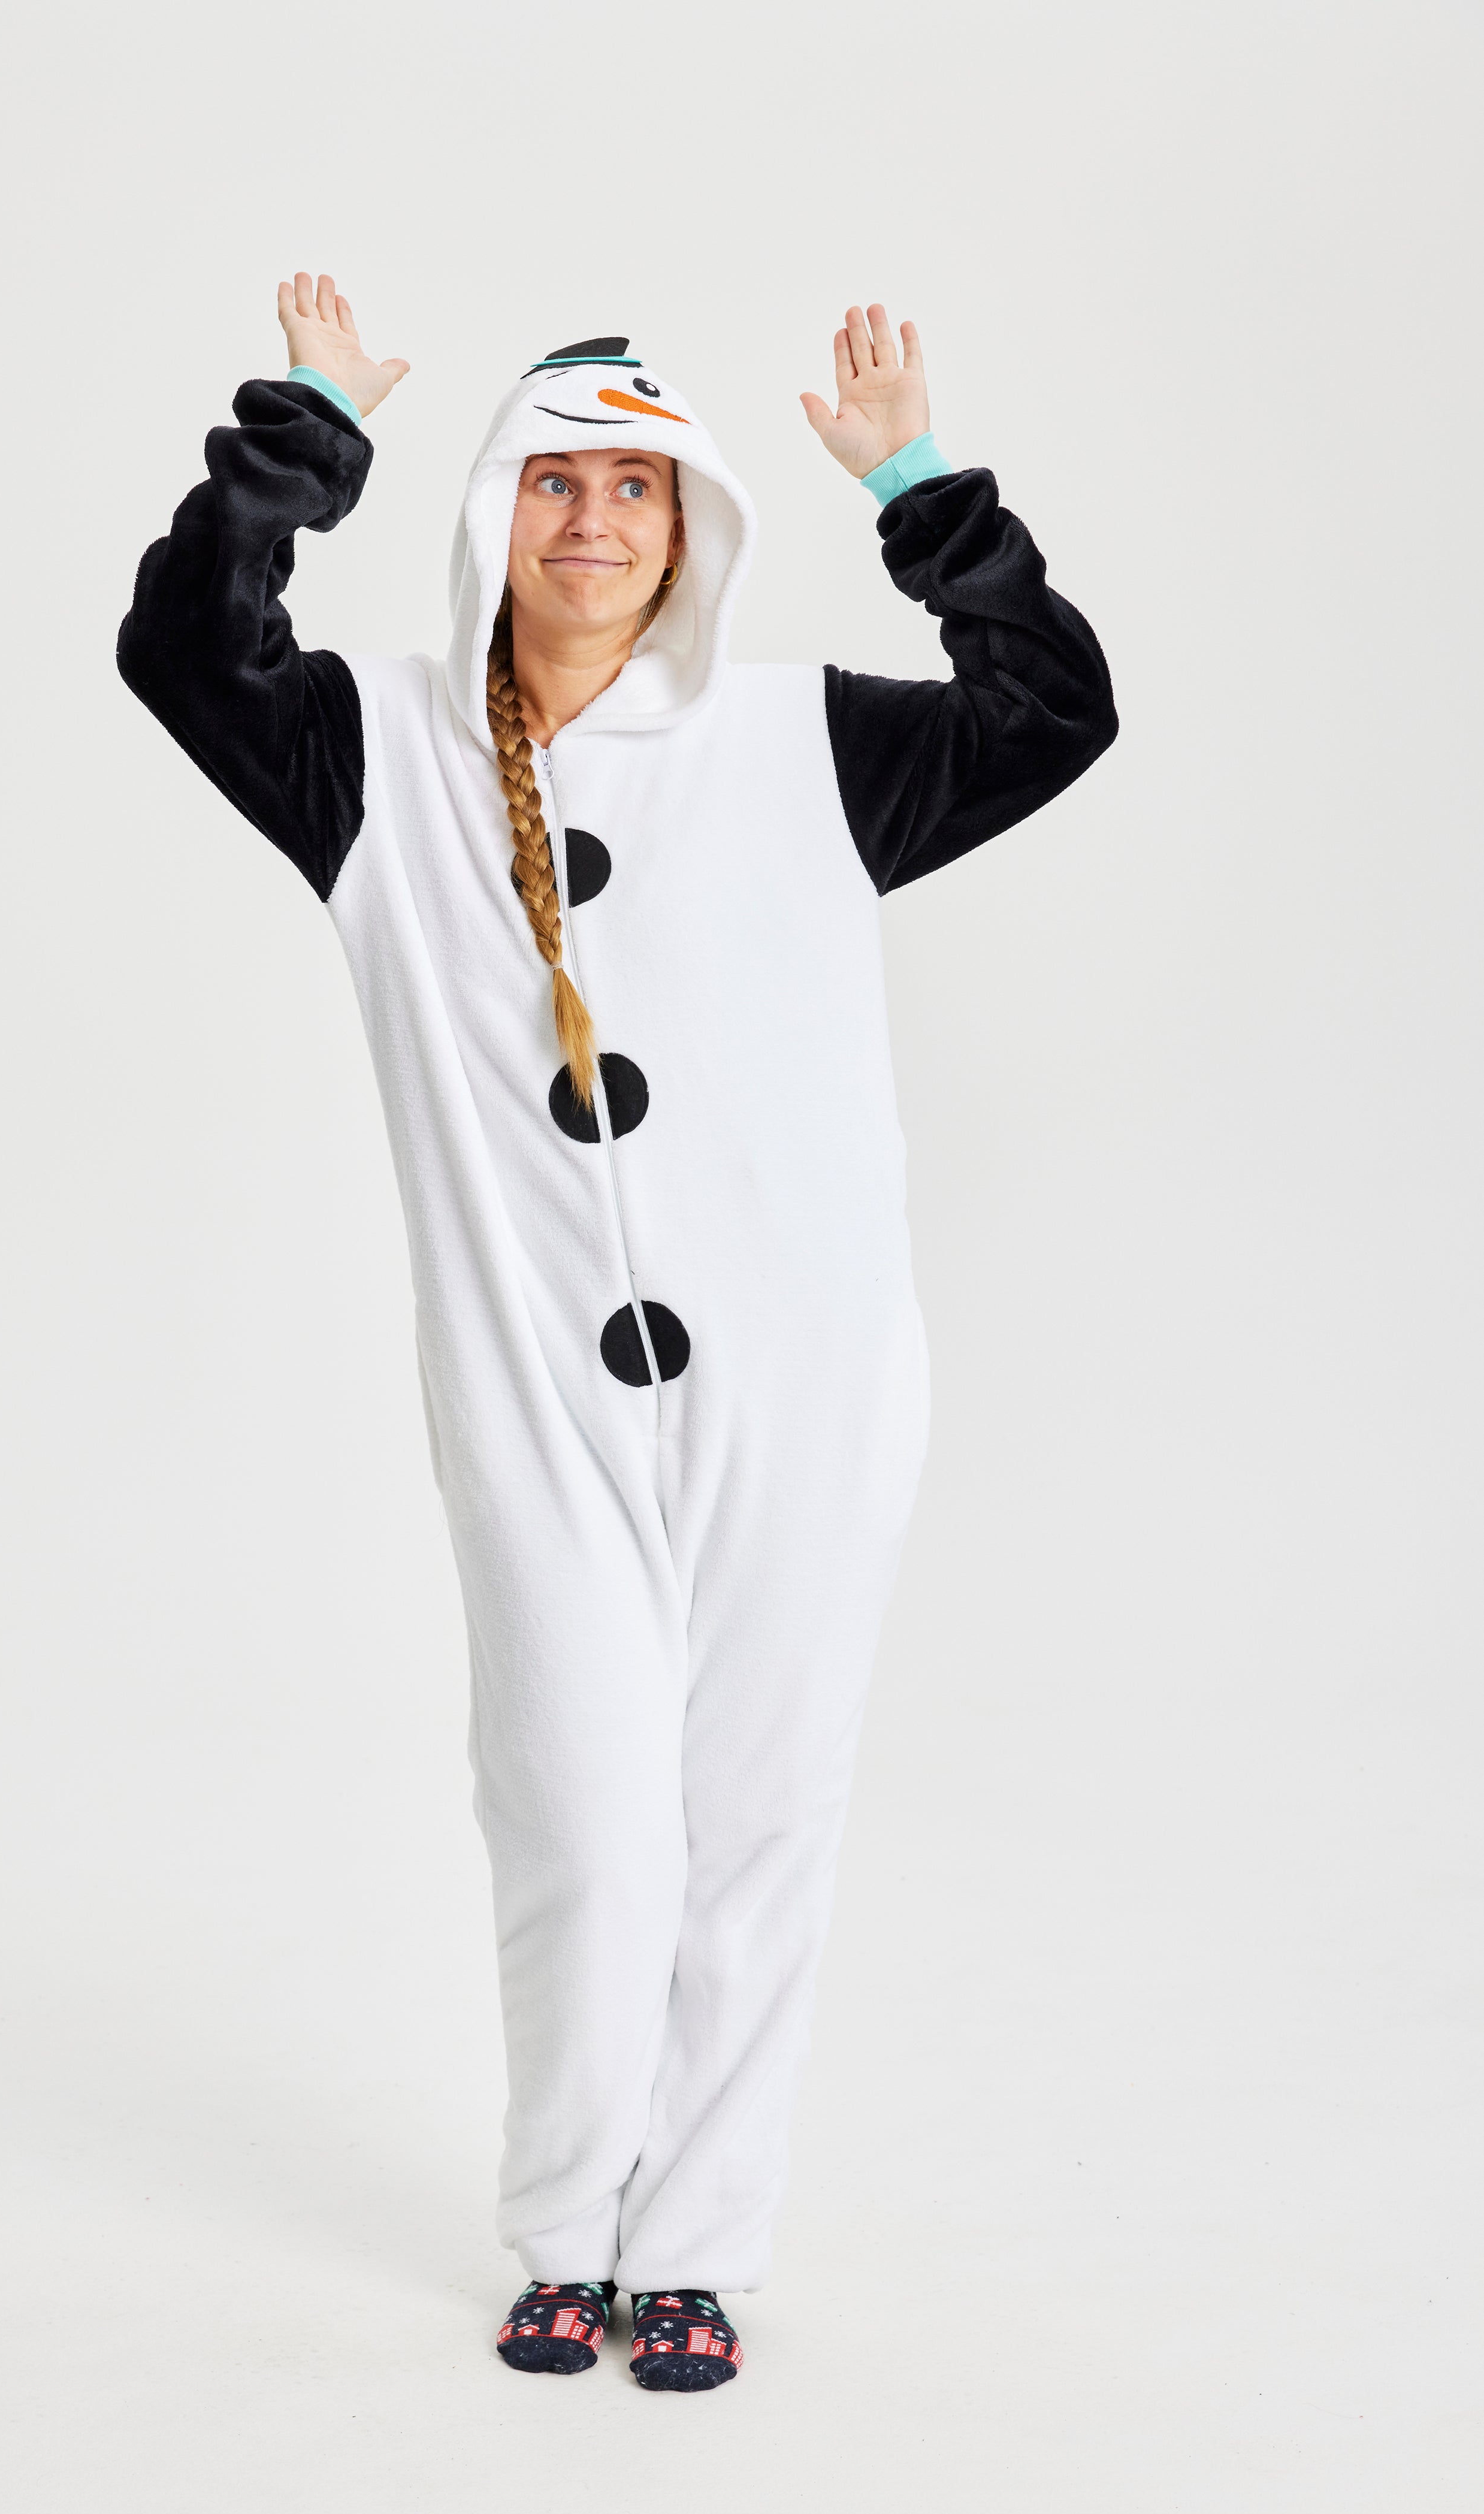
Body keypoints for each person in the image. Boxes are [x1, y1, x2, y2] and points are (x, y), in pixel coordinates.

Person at [117, 273, 1117, 2392]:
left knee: (758, 1821)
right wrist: (299, 435)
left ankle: (699, 2244)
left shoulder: (808, 744)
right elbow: (181, 648)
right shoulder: (371, 756)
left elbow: (1054, 709)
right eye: (554, 480)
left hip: (810, 1395)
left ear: (691, 522)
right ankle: (565, 2221)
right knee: (581, 1821)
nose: (592, 520)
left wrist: (920, 487)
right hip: (537, 1412)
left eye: (635, 487)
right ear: (492, 506)